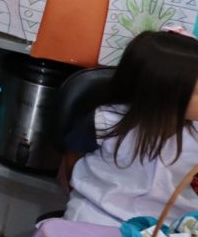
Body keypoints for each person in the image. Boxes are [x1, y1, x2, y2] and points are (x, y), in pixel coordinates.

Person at [63, 30, 198, 226]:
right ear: (165, 93)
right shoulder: (107, 120)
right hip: (98, 211)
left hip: (168, 224)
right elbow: (72, 157)